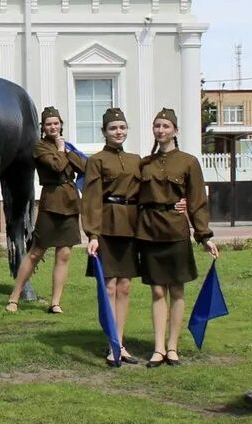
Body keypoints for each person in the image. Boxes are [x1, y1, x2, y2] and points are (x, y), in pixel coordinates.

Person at [137, 108, 217, 367]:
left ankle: (173, 347)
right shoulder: (144, 164)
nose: (161, 130)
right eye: (157, 126)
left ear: (175, 130)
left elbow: (197, 200)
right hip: (149, 231)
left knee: (177, 289)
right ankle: (158, 348)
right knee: (157, 290)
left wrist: (204, 236)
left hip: (176, 231)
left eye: (166, 126)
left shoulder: (188, 161)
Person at [9, 106, 85, 313]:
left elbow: (84, 167)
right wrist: (62, 151)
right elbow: (57, 167)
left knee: (64, 254)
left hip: (70, 203)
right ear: (43, 127)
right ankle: (14, 297)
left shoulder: (66, 146)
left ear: (61, 124)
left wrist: (67, 150)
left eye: (56, 123)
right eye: (49, 124)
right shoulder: (39, 147)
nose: (53, 127)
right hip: (51, 203)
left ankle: (55, 302)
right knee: (36, 252)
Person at [82, 107, 141, 365]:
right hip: (106, 224)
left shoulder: (136, 160)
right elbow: (92, 198)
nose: (119, 132)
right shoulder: (97, 160)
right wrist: (92, 234)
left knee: (125, 285)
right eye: (113, 128)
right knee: (109, 286)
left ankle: (121, 342)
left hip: (130, 225)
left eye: (122, 127)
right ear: (104, 132)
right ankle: (111, 345)